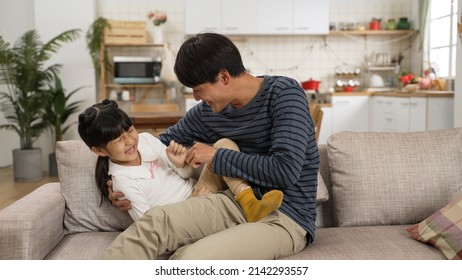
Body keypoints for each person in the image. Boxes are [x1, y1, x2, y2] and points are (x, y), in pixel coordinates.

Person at [103, 32, 319, 260]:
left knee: (188, 259)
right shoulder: (208, 113)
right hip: (234, 203)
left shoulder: (284, 95)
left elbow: (284, 171)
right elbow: (156, 146)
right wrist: (115, 182)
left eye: (198, 89)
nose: (196, 97)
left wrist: (216, 156)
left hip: (285, 216)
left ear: (224, 77)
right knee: (155, 223)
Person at [78, 99, 283, 222]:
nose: (130, 141)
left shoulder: (148, 140)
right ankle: (241, 207)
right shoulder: (123, 182)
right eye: (118, 140)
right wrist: (192, 206)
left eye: (130, 130)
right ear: (99, 151)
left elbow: (184, 175)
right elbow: (150, 224)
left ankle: (249, 202)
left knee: (223, 144)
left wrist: (179, 164)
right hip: (184, 216)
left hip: (199, 191)